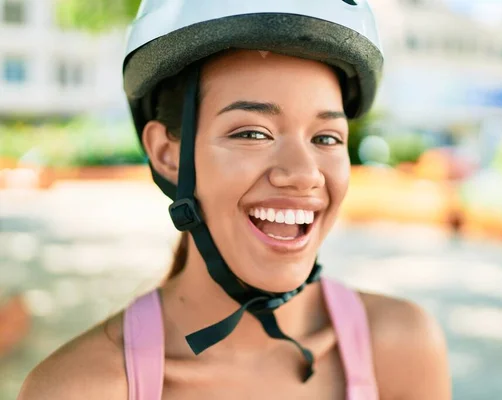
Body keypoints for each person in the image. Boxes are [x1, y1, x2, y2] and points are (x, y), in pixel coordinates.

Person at [19, 1, 450, 399]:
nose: (303, 174)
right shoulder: (79, 388)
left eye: (326, 137)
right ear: (168, 155)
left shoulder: (399, 348)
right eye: (251, 133)